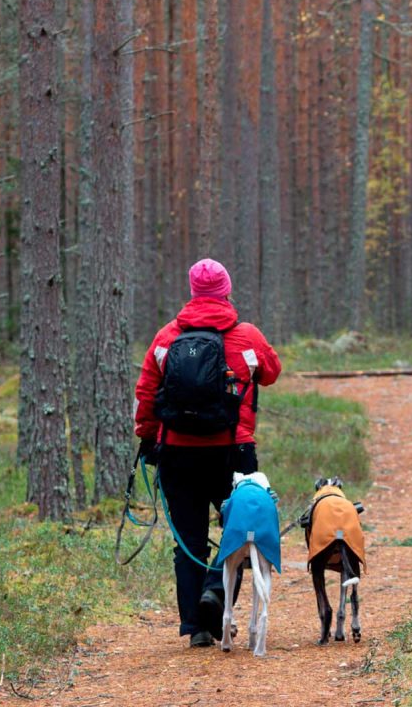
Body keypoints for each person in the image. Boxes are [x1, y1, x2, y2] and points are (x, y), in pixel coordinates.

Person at [133, 258, 282, 647]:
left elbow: (146, 393)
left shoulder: (166, 338)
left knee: (188, 540)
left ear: (193, 292)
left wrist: (147, 436)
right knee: (241, 529)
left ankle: (196, 627)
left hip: (177, 452)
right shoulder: (247, 336)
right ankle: (216, 591)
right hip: (234, 452)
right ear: (226, 292)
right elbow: (271, 372)